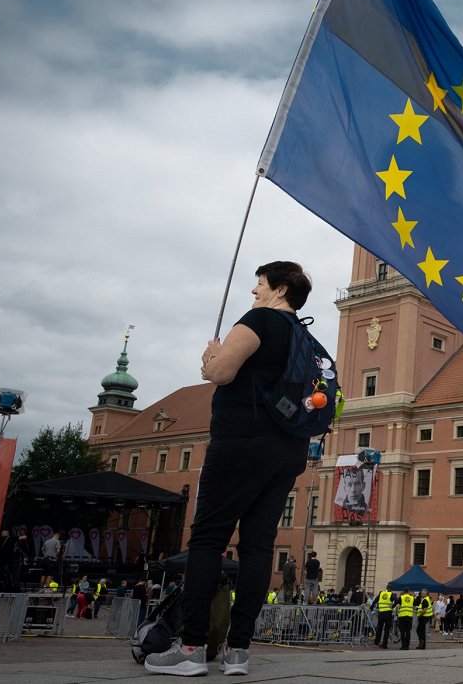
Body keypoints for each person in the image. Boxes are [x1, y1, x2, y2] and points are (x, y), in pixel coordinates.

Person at [144, 261, 313, 678]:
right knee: (258, 546)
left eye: (259, 283)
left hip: (241, 441)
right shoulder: (304, 335)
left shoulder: (259, 320)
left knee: (207, 540)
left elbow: (220, 373)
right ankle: (238, 652)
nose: (254, 291)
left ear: (279, 288)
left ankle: (192, 648)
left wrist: (210, 359)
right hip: (287, 449)